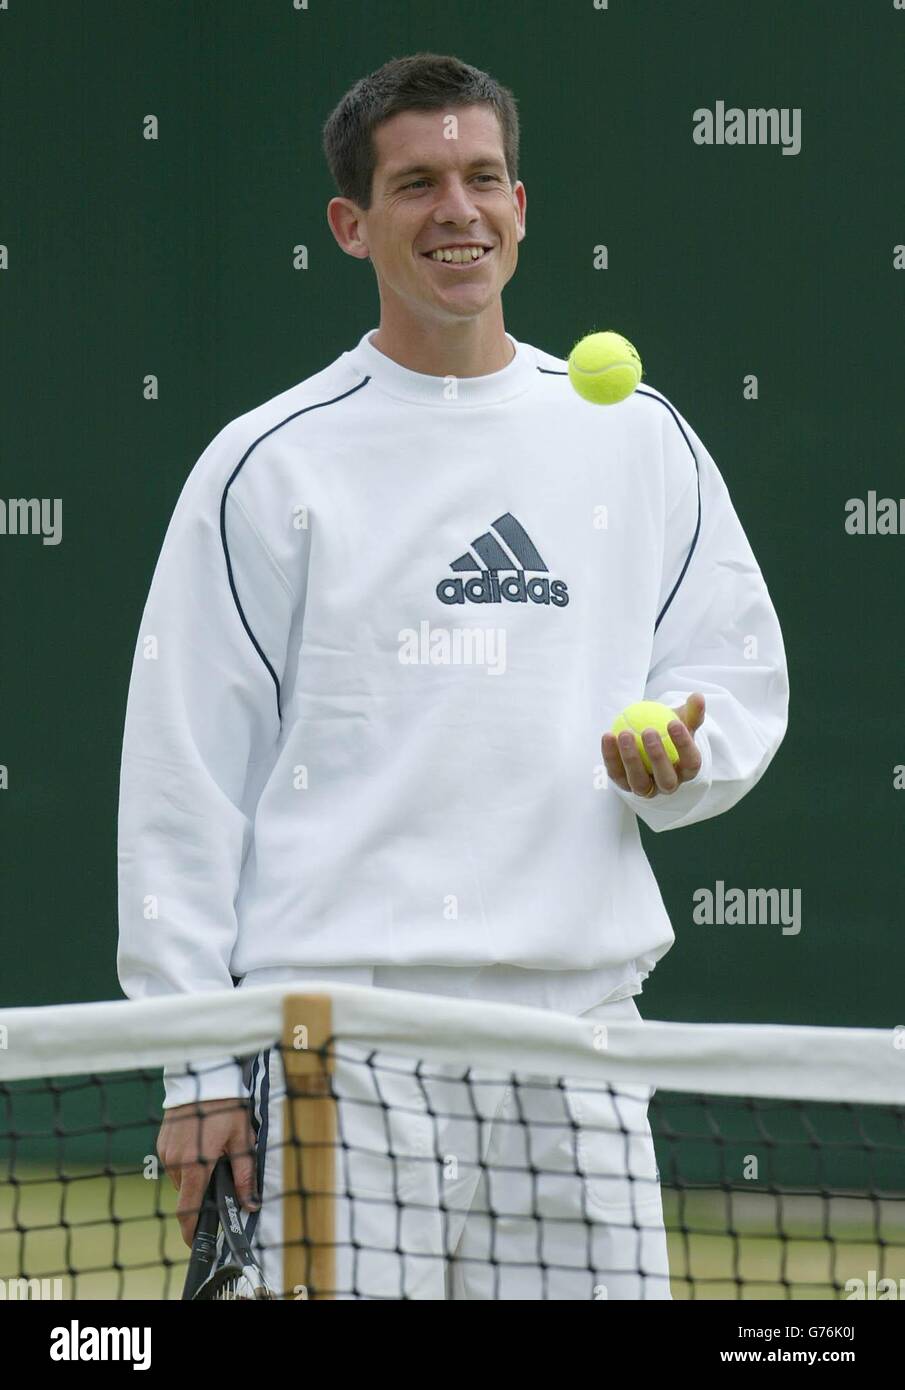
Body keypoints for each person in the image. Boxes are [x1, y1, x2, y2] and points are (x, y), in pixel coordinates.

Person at [117, 52, 789, 1299]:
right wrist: (197, 1064)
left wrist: (684, 762)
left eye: (483, 178)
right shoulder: (261, 464)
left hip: (576, 1035)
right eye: (416, 183)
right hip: (335, 1046)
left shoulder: (636, 432)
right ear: (351, 223)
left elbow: (730, 677)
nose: (457, 212)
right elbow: (184, 779)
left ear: (520, 208)